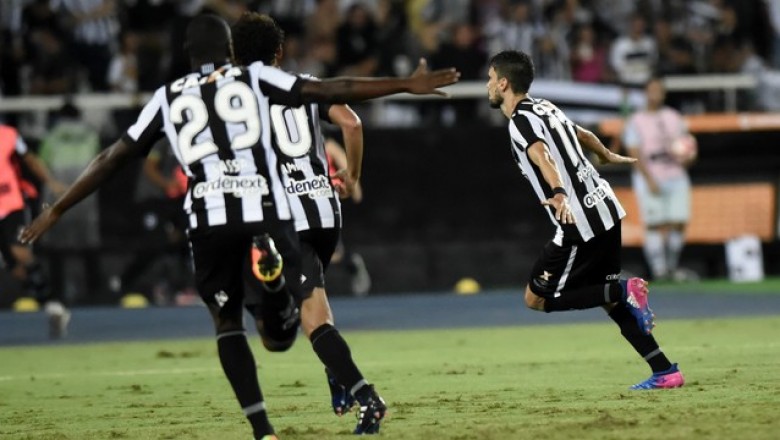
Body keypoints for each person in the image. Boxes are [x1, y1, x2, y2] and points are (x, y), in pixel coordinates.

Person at [20, 14, 459, 440]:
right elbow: (335, 93)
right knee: (296, 323)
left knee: (236, 326)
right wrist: (404, 85)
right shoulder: (255, 80)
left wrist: (56, 209)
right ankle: (285, 305)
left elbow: (112, 157)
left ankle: (264, 428)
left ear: (186, 53)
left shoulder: (168, 95)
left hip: (209, 217)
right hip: (274, 210)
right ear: (231, 51)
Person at [485, 50, 684, 390]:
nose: (488, 85)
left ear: (503, 83)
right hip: (606, 208)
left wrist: (560, 192)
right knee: (607, 301)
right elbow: (582, 134)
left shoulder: (519, 121)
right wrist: (604, 154)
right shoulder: (545, 106)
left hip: (579, 223)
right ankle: (664, 370)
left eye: (490, 78)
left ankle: (624, 286)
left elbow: (541, 156)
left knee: (537, 298)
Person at [231, 13, 379, 433]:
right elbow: (352, 122)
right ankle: (338, 373)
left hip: (283, 218)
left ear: (234, 56)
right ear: (279, 52)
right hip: (325, 210)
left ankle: (365, 395)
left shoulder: (236, 97)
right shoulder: (307, 84)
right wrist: (352, 175)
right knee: (315, 304)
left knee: (302, 316)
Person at [0, 123, 69, 338]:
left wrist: (51, 182)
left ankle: (55, 307)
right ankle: (50, 303)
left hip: (13, 203)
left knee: (20, 252)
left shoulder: (8, 135)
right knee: (16, 269)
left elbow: (30, 159)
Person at [623, 77, 694, 281]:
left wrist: (688, 156)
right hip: (650, 173)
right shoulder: (636, 121)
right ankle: (659, 269)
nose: (655, 94)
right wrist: (648, 179)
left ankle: (671, 266)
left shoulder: (674, 116)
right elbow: (634, 152)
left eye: (659, 91)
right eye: (651, 90)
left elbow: (686, 144)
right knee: (654, 222)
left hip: (675, 172)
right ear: (646, 93)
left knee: (679, 221)